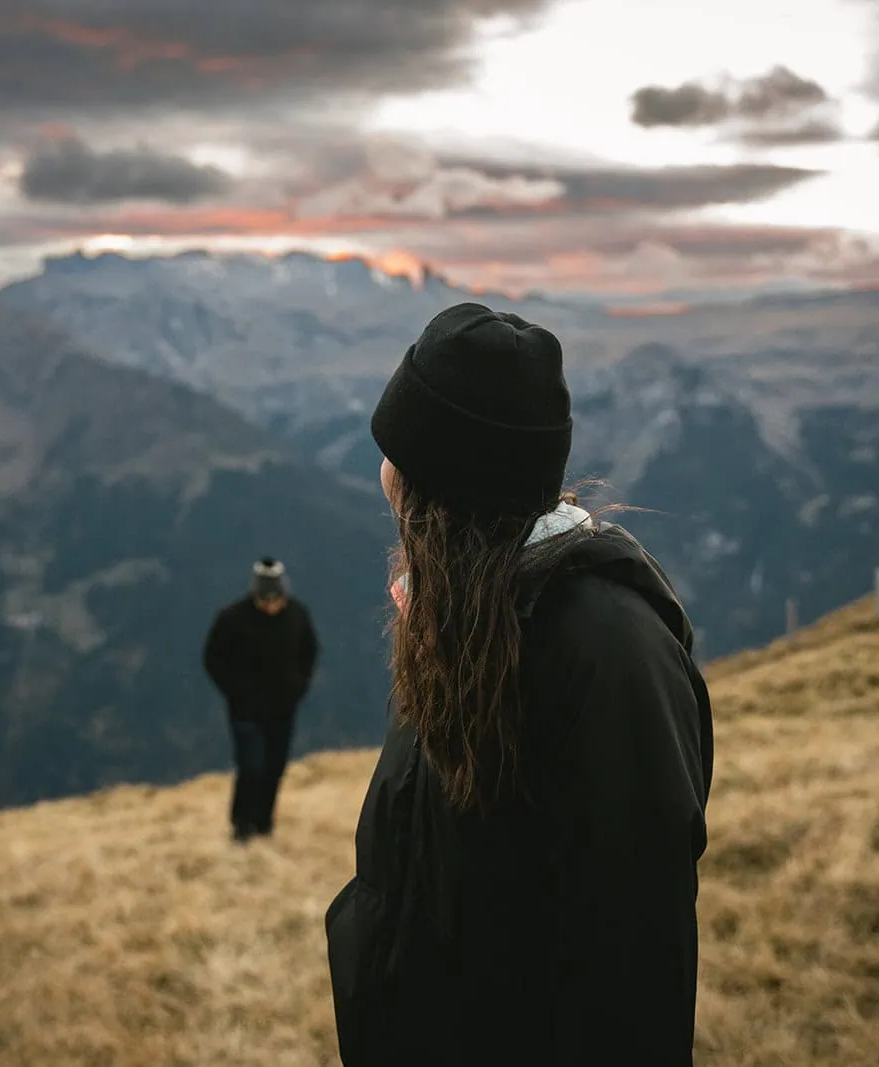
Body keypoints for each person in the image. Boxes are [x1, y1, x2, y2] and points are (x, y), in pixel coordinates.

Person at [324, 303, 715, 1065]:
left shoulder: (610, 653)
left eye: (395, 454)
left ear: (440, 485)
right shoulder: (467, 614)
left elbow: (631, 963)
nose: (383, 477)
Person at [202, 557, 319, 842]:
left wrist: (298, 687)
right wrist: (235, 692)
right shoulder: (231, 619)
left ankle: (265, 825)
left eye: (275, 599)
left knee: (274, 768)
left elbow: (310, 652)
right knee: (251, 767)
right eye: (264, 600)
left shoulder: (298, 616)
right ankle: (242, 826)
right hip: (246, 711)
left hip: (283, 709)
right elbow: (213, 658)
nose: (270, 606)